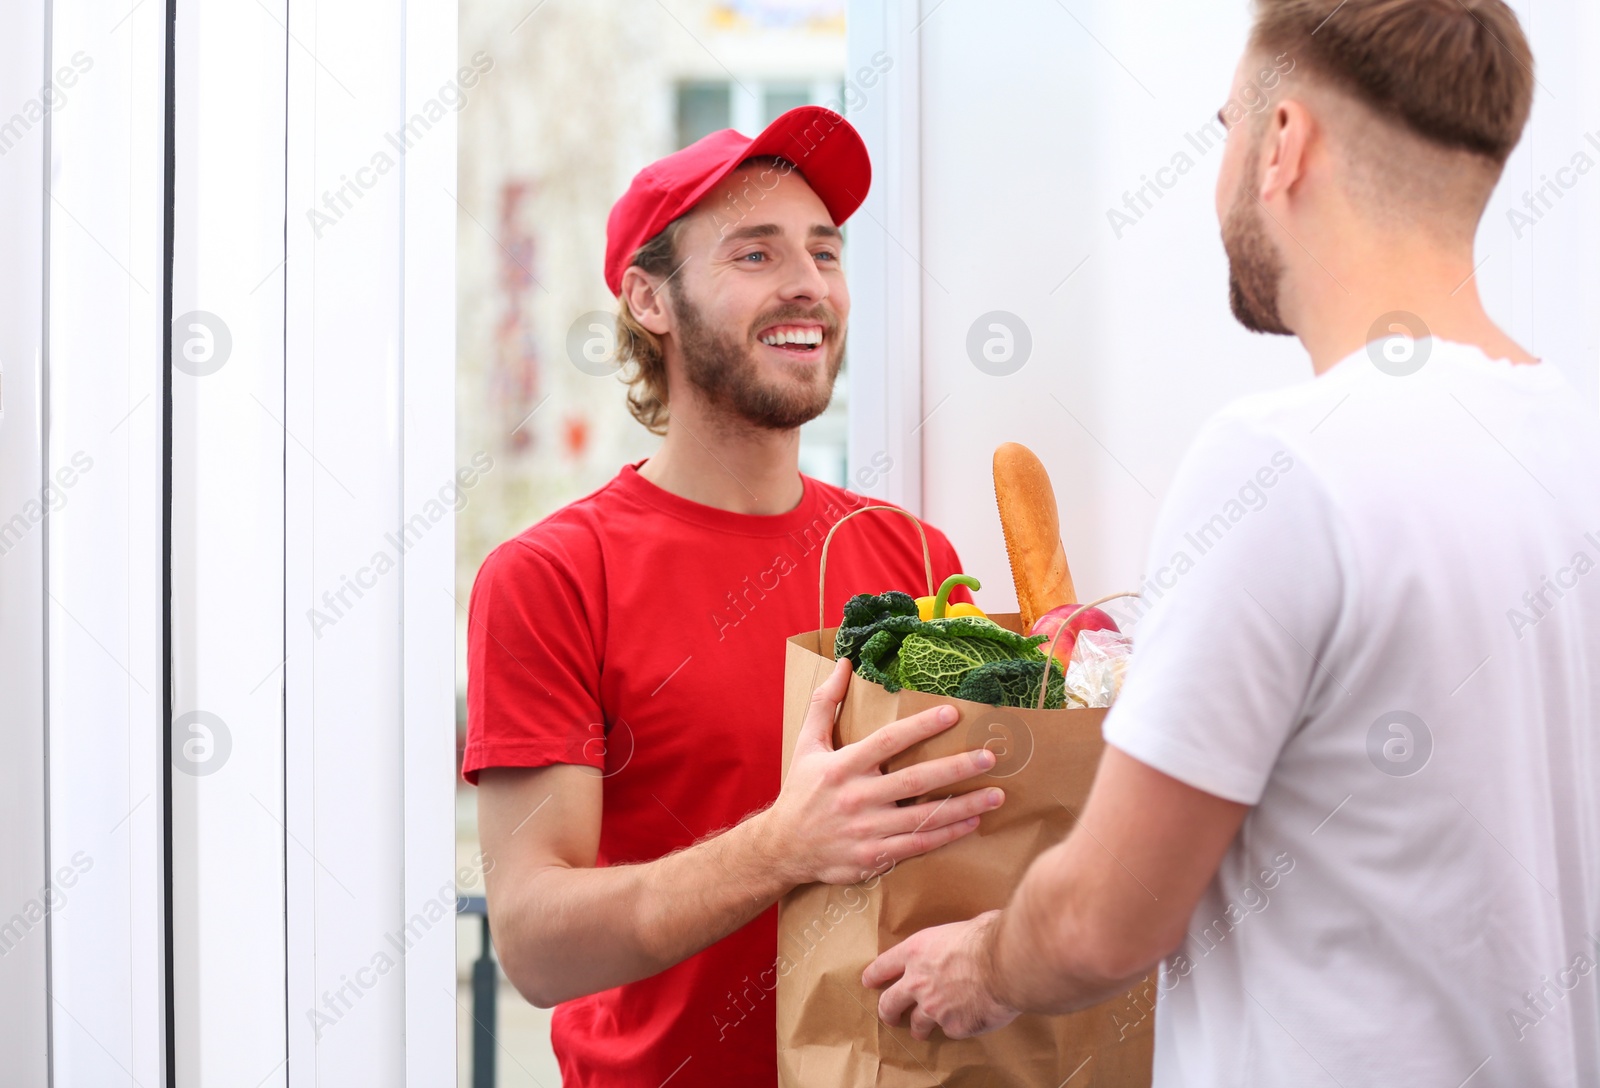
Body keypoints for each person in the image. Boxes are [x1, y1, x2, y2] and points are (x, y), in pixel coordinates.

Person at [862, 1, 1600, 1084]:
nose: (1219, 179)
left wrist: (976, 961)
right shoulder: (1577, 440)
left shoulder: (1282, 463)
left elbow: (1106, 919)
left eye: (1224, 129)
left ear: (1283, 144)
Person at [465, 107, 1003, 1088]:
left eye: (824, 251)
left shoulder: (914, 555)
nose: (808, 282)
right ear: (649, 300)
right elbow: (537, 942)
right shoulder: (552, 575)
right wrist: (781, 845)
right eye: (754, 253)